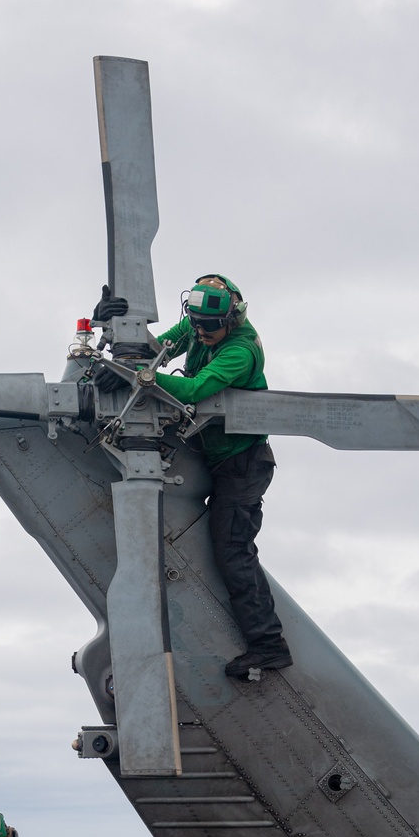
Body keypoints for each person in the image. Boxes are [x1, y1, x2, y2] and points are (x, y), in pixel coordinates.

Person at [152, 275, 292, 676]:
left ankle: (268, 645)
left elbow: (195, 389)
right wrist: (127, 358)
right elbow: (163, 346)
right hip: (213, 455)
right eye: (194, 323)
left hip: (243, 464)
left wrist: (140, 378)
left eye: (208, 327)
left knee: (232, 549)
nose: (198, 332)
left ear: (231, 319)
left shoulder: (240, 351)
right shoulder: (201, 325)